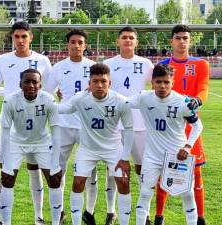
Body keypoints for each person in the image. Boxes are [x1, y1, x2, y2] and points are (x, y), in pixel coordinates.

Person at [0, 21, 52, 225]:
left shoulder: (43, 60)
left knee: (35, 169)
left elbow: (52, 89)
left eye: (24, 36)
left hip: (37, 122)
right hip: (10, 123)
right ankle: (3, 219)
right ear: (12, 38)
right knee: (6, 170)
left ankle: (39, 216)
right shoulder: (3, 59)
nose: (20, 40)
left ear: (31, 38)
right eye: (16, 36)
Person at [58, 63, 134, 225]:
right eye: (95, 81)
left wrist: (125, 157)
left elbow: (129, 129)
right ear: (89, 83)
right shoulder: (80, 98)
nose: (99, 85)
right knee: (78, 183)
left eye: (103, 81)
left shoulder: (121, 101)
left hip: (114, 149)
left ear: (110, 83)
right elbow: (63, 109)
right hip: (87, 149)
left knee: (123, 183)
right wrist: (44, 100)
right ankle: (76, 222)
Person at [127, 64, 203, 225]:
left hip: (177, 155)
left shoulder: (182, 102)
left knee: (187, 194)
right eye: (159, 82)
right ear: (152, 82)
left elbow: (198, 126)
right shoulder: (143, 97)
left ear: (172, 83)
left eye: (166, 82)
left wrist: (188, 146)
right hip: (152, 156)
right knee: (145, 192)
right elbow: (122, 103)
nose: (162, 86)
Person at [156, 24, 210, 225]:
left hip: (190, 127)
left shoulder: (201, 64)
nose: (182, 41)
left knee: (195, 172)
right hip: (168, 128)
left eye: (185, 38)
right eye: (178, 38)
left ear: (190, 41)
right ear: (172, 40)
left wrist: (197, 100)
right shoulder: (162, 64)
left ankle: (200, 218)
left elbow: (204, 88)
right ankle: (159, 216)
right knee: (164, 171)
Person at [103, 26, 154, 225]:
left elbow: (159, 86)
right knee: (114, 169)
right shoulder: (108, 63)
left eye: (131, 38)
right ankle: (111, 211)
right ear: (117, 41)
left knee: (143, 169)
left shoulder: (145, 63)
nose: (127, 40)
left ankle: (145, 213)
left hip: (140, 124)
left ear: (136, 42)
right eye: (124, 37)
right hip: (114, 125)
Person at [45, 29, 96, 224]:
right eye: (73, 42)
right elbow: (47, 91)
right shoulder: (58, 67)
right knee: (58, 170)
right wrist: (58, 98)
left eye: (80, 42)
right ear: (67, 45)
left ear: (85, 45)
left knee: (90, 170)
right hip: (64, 125)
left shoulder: (93, 66)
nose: (76, 45)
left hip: (86, 125)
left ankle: (88, 212)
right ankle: (59, 213)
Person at [0, 69, 62, 225]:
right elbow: (5, 132)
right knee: (7, 179)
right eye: (27, 81)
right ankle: (5, 222)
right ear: (20, 83)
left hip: (41, 142)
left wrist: (56, 159)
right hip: (17, 142)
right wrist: (5, 157)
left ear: (40, 84)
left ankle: (54, 222)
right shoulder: (10, 100)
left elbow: (56, 131)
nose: (31, 85)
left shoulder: (48, 100)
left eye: (35, 82)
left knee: (54, 179)